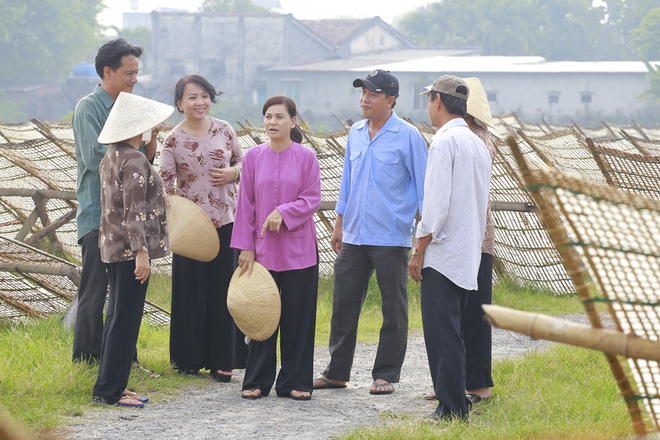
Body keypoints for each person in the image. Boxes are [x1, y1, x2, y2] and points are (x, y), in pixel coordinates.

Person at [313, 70, 428, 395]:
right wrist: (339, 222)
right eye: (363, 93)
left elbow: (425, 190)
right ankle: (336, 372)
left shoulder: (408, 136)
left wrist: (421, 241)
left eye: (372, 94)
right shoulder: (356, 132)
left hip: (391, 237)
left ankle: (386, 374)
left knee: (394, 308)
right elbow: (348, 181)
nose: (365, 99)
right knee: (343, 305)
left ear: (390, 100)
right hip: (354, 235)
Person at [408, 75, 492, 421]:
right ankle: (453, 402)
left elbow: (437, 205)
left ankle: (453, 408)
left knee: (441, 333)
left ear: (438, 102)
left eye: (429, 99)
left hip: (442, 253)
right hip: (467, 251)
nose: (428, 105)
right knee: (453, 330)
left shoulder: (444, 143)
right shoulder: (476, 142)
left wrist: (419, 248)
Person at [72, 38, 159, 366]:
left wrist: (149, 138)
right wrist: (133, 144)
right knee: (94, 294)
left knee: (126, 297)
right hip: (99, 216)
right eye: (128, 73)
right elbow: (98, 159)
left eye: (137, 73)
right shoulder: (88, 108)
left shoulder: (132, 109)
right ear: (107, 72)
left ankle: (123, 361)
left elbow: (143, 165)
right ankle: (87, 362)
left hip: (129, 219)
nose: (134, 80)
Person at [231, 95, 321, 401]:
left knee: (298, 317)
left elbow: (312, 199)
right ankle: (256, 380)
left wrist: (284, 212)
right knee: (260, 315)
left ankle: (295, 382)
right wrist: (246, 246)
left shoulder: (307, 157)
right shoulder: (253, 157)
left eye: (280, 117)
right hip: (262, 252)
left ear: (293, 122)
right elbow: (245, 205)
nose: (273, 122)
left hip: (299, 253)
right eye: (268, 116)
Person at [159, 74, 247, 381]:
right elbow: (165, 182)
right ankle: (188, 360)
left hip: (225, 220)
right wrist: (173, 211)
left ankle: (224, 359)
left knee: (224, 290)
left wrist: (231, 173)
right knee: (191, 291)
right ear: (180, 104)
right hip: (191, 228)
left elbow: (243, 161)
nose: (200, 102)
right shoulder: (172, 139)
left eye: (204, 96)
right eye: (192, 97)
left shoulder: (224, 129)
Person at [92, 92, 173, 408]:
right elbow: (134, 210)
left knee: (116, 318)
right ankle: (109, 391)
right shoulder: (134, 160)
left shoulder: (113, 155)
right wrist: (142, 253)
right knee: (125, 320)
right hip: (129, 251)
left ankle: (112, 385)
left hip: (113, 247)